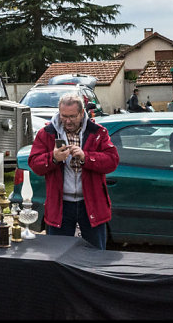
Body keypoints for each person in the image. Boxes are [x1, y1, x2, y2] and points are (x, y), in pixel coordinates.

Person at [28, 92, 119, 250]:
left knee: (95, 254)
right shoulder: (46, 133)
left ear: (82, 113)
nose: (67, 121)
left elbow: (112, 161)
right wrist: (54, 158)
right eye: (64, 116)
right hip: (60, 204)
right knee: (58, 255)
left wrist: (86, 157)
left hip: (91, 204)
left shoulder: (98, 132)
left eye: (72, 116)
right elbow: (34, 164)